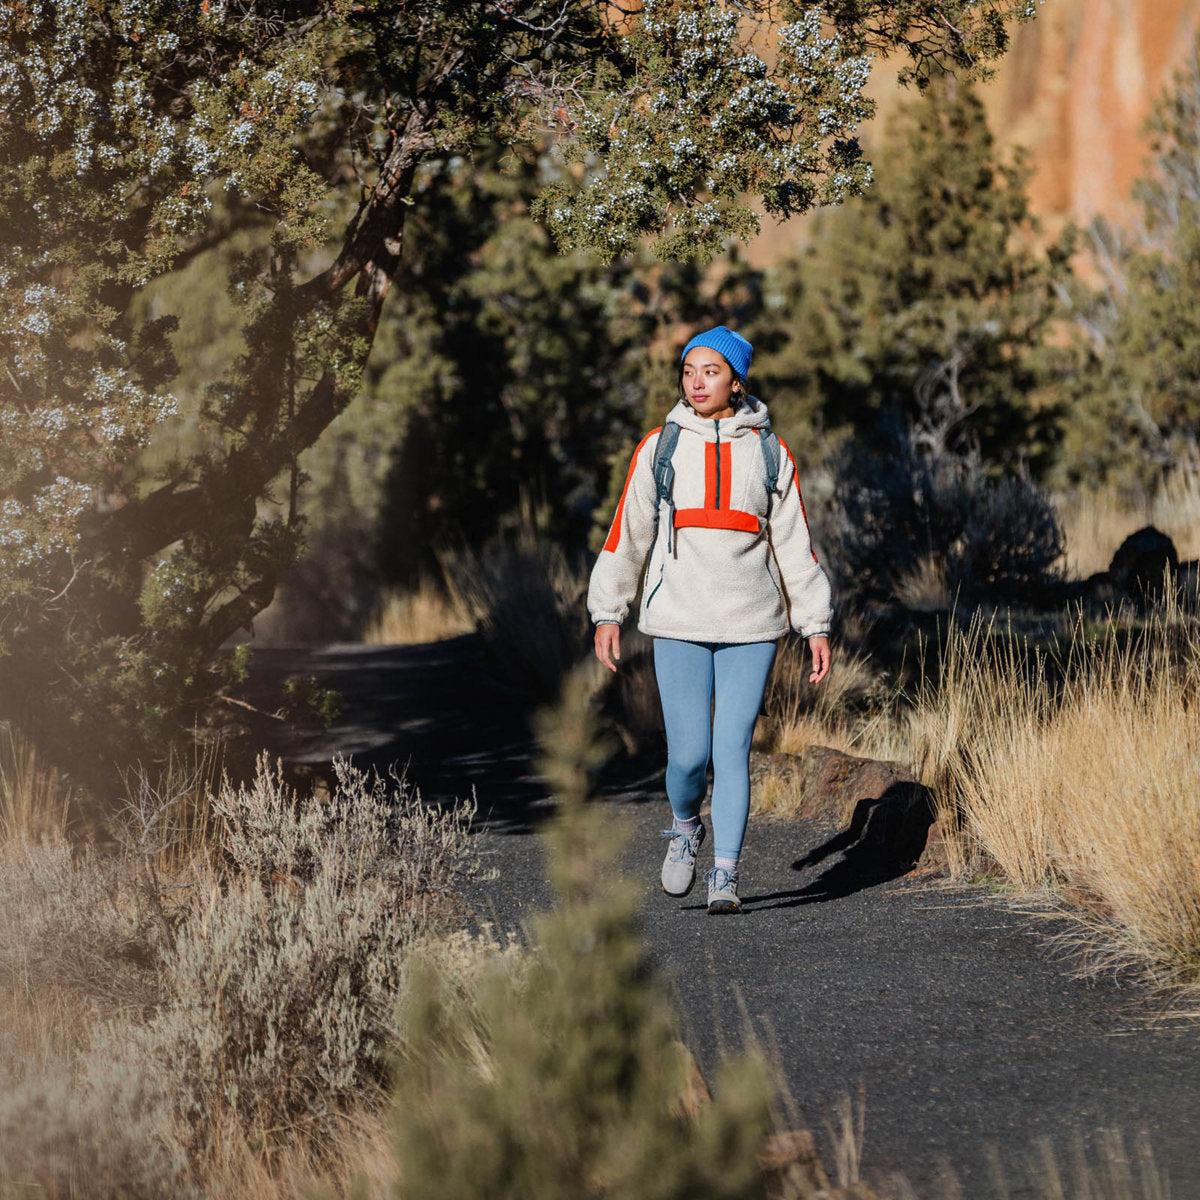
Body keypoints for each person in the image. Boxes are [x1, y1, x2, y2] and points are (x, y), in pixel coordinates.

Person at [588, 325, 832, 914]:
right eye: (689, 371)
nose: (697, 382)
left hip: (752, 625)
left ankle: (726, 874)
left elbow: (796, 545)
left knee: (732, 750)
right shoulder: (661, 448)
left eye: (711, 371)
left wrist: (815, 623)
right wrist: (608, 611)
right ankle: (684, 826)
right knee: (689, 755)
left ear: (737, 380)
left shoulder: (771, 453)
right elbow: (628, 535)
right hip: (678, 620)